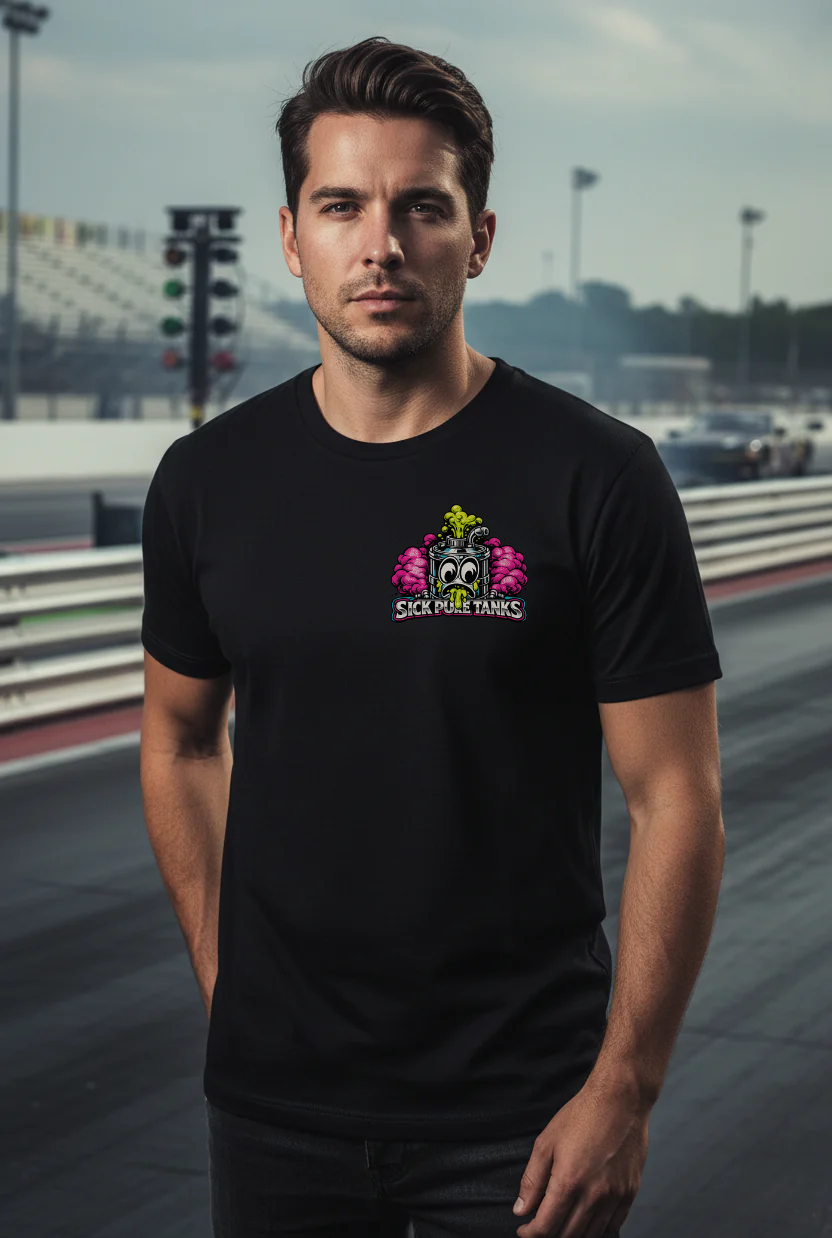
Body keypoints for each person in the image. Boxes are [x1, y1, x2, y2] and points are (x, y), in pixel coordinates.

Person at [139, 35, 725, 1238]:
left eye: (423, 206)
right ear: (293, 235)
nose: (382, 244)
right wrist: (225, 982)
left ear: (481, 236)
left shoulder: (597, 476)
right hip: (274, 1108)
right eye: (342, 205)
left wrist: (625, 1087)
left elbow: (679, 797)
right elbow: (182, 743)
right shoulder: (206, 482)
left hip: (525, 1117)